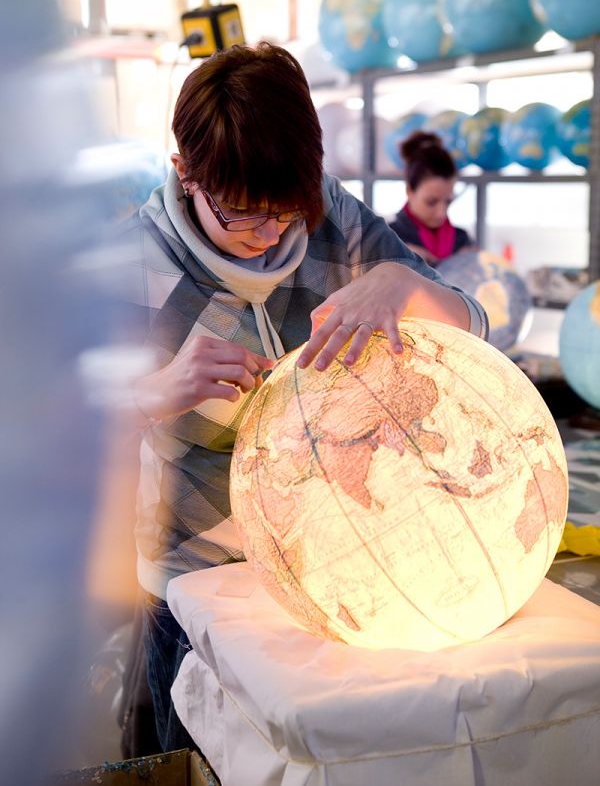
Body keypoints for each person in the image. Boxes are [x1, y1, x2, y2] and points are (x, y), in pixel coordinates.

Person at [120, 42, 488, 754]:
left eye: (284, 214)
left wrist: (408, 287)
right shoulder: (129, 264)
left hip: (332, 579)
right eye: (243, 215)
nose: (267, 236)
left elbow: (478, 328)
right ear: (185, 174)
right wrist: (153, 392)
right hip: (192, 592)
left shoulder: (332, 219)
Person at [389, 130, 474, 266]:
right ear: (409, 190)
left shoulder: (461, 240)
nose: (442, 213)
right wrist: (396, 260)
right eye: (431, 202)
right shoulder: (388, 240)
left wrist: (476, 263)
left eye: (448, 202)